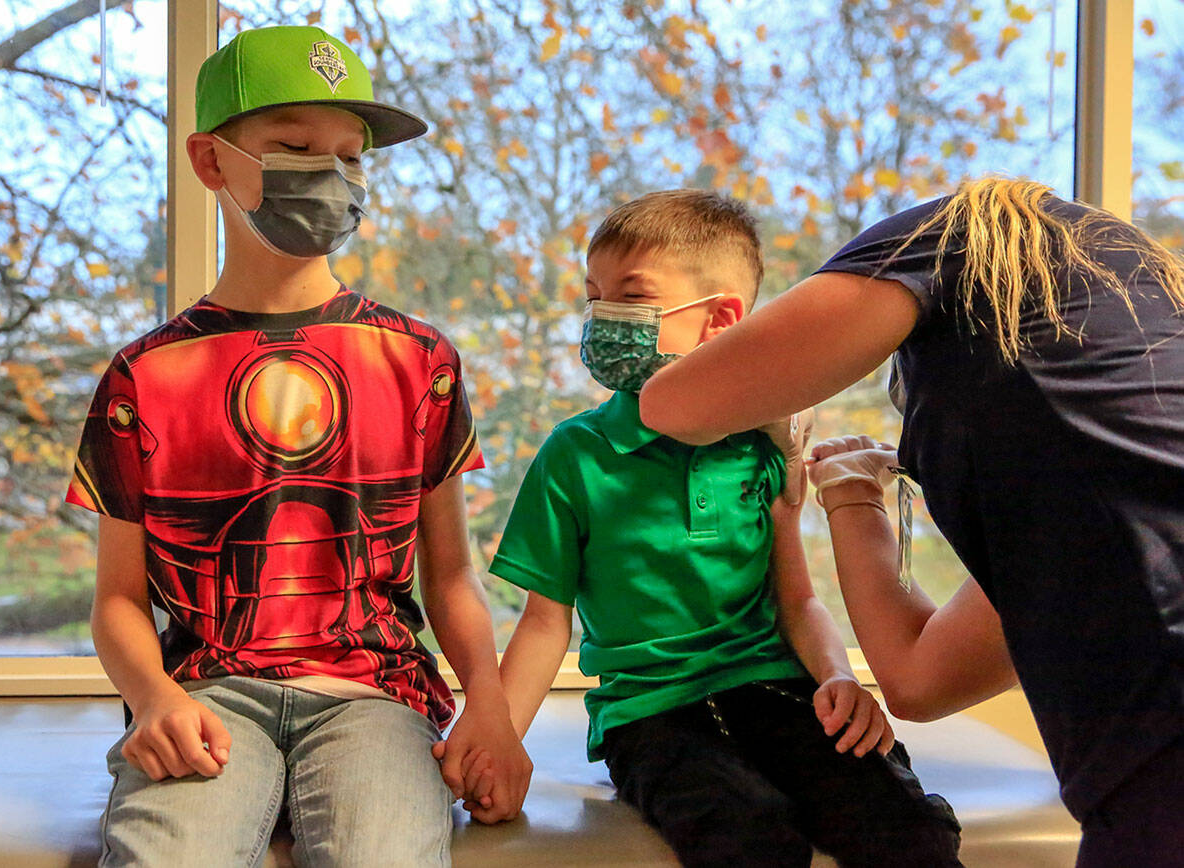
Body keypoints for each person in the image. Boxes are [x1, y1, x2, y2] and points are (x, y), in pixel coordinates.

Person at [67, 25, 530, 867]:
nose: (334, 176)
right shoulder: (143, 376)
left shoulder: (420, 360)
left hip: (377, 697)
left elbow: (451, 570)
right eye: (295, 147)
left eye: (352, 157)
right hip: (203, 696)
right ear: (211, 162)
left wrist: (490, 708)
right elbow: (117, 600)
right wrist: (152, 698)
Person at [638, 177, 1184, 867]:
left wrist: (774, 407)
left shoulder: (949, 235)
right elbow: (922, 678)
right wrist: (853, 500)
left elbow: (674, 406)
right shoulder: (1097, 497)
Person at [471, 190, 962, 867]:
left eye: (630, 295)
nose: (602, 317)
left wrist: (838, 678)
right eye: (594, 297)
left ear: (720, 319)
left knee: (909, 830)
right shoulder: (574, 456)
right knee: (746, 837)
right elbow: (543, 624)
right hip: (650, 717)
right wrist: (501, 738)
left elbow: (800, 600)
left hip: (776, 690)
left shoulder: (764, 445)